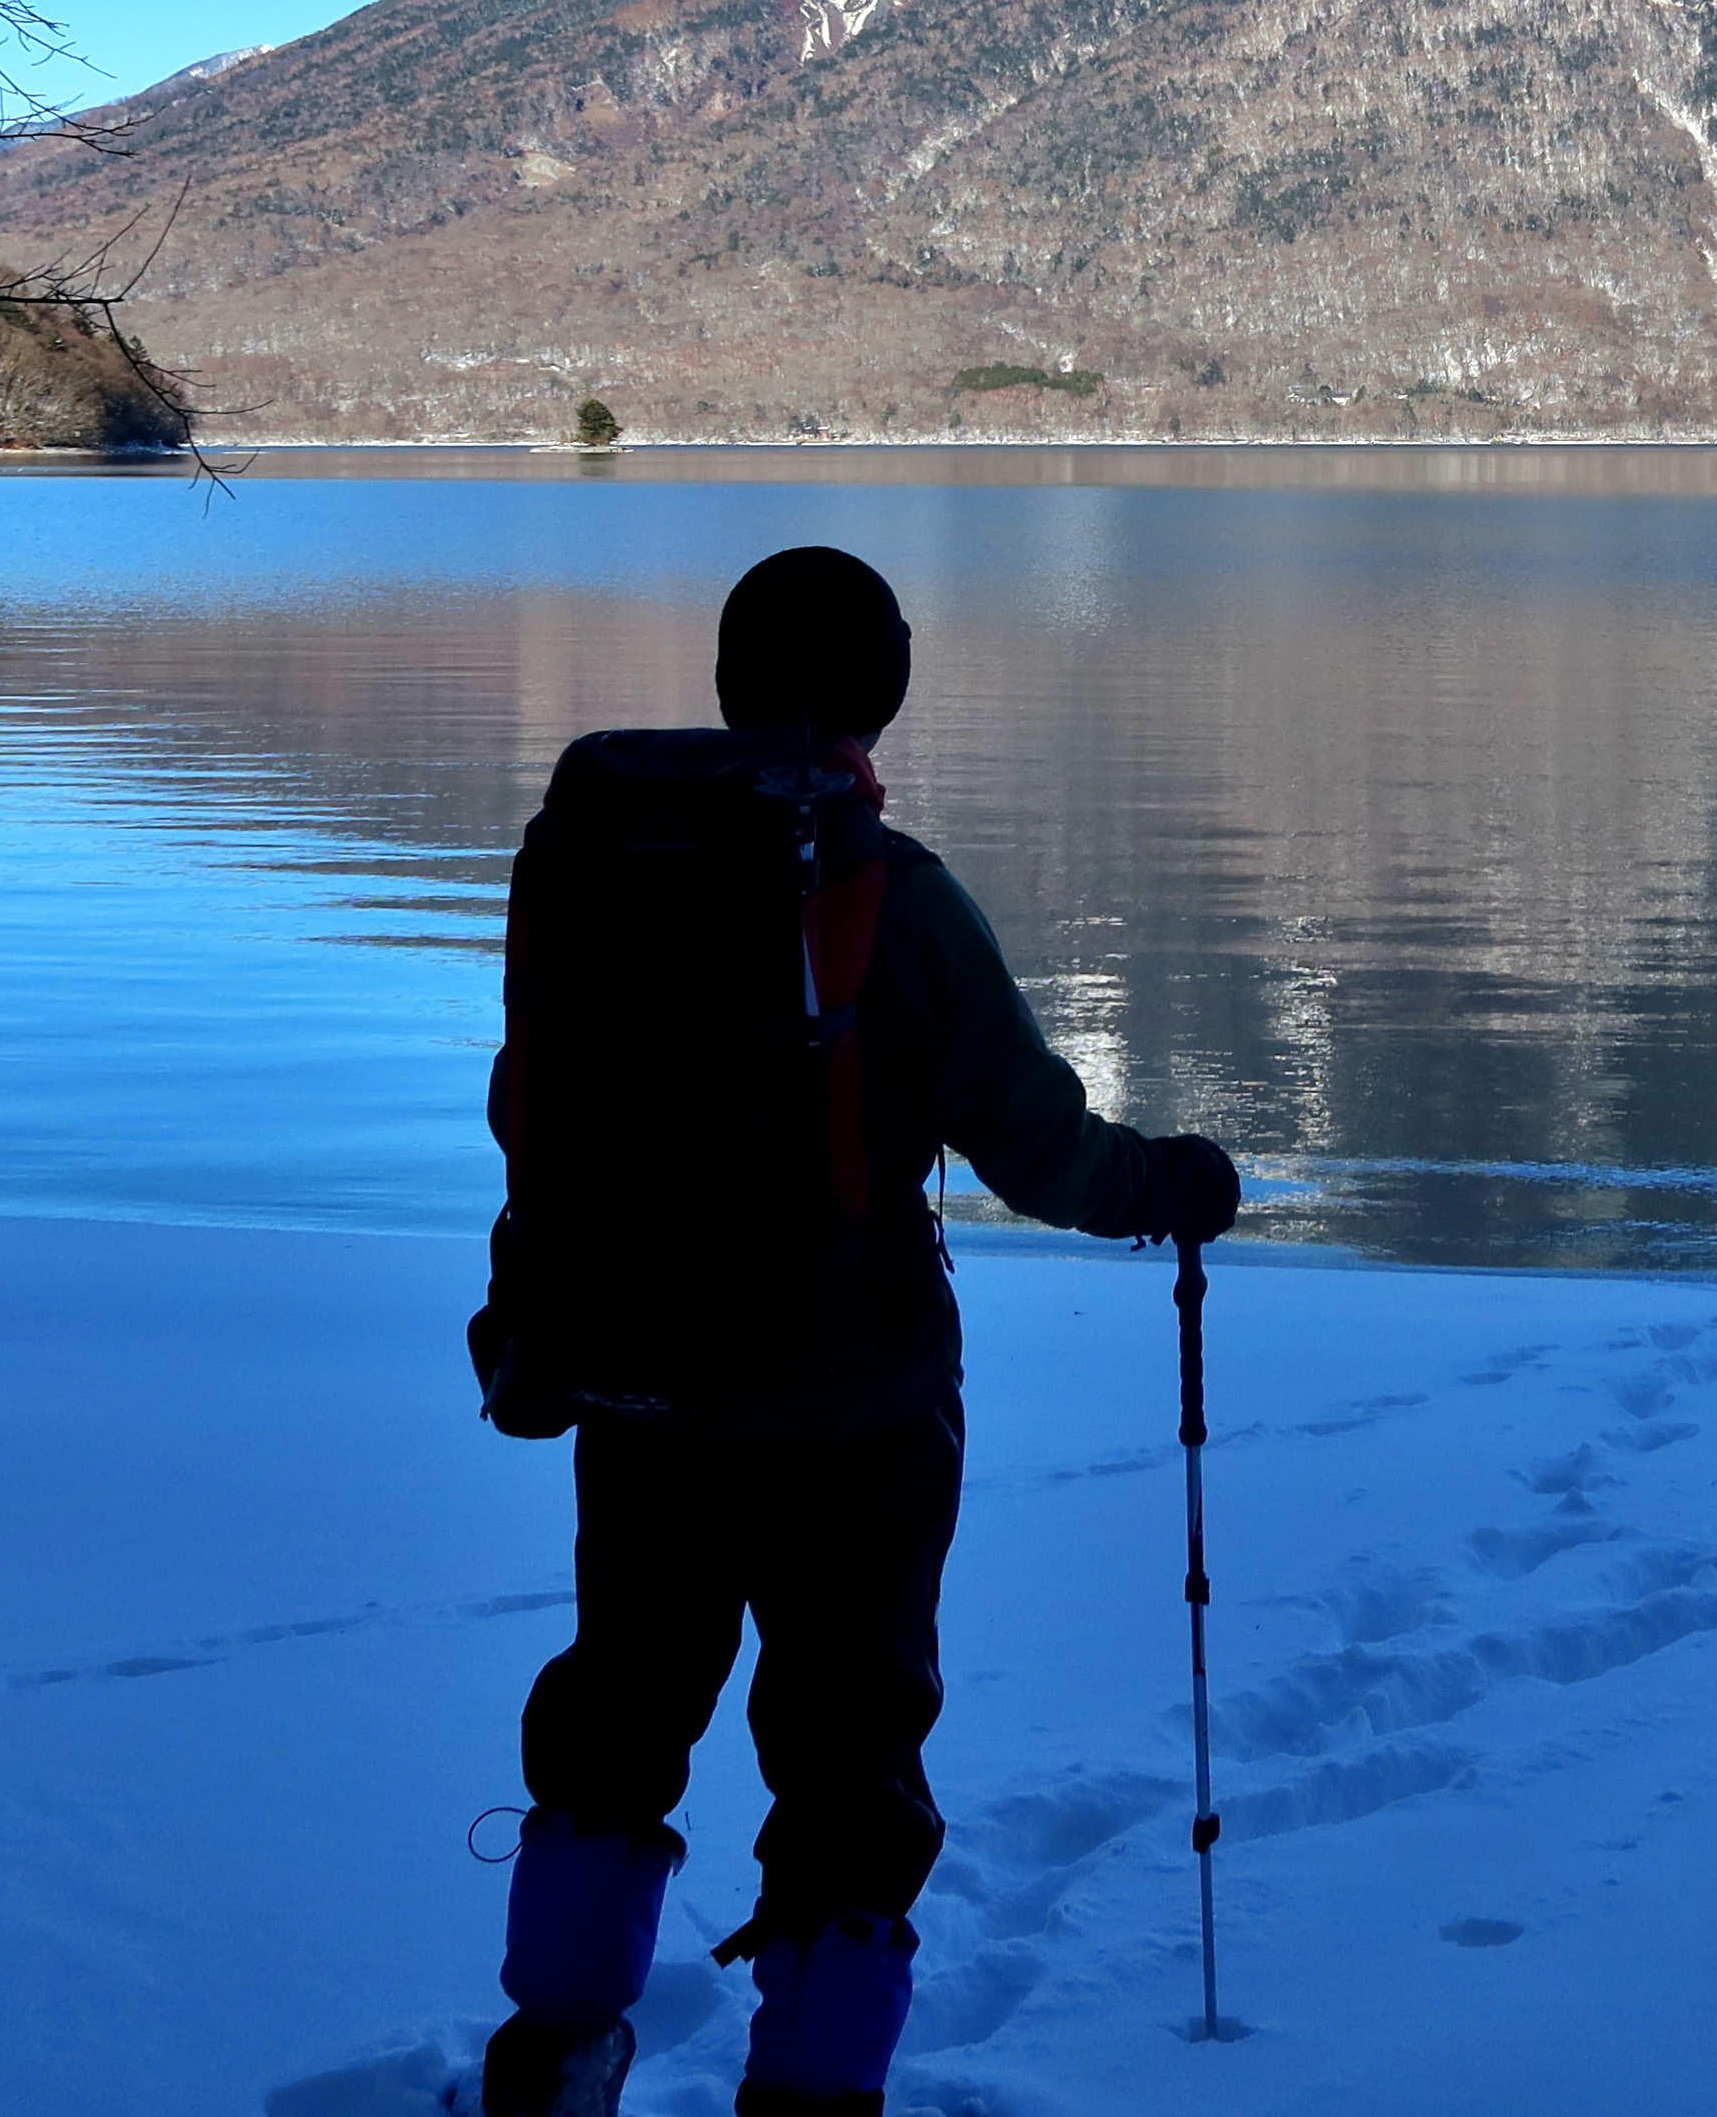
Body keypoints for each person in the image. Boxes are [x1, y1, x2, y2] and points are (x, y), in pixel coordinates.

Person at [469, 545, 1242, 2117]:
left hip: (637, 1388)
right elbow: (1041, 1149)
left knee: (619, 1708)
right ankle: (814, 2091)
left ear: (730, 678)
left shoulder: (595, 864)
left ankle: (552, 2049)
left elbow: (528, 1110)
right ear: (881, 691)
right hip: (857, 1413)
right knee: (848, 1759)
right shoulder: (898, 898)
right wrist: (1177, 1184)